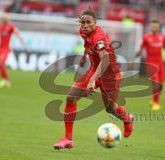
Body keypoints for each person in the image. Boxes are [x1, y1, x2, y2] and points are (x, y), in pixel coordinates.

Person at [54, 10, 134, 150]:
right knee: (71, 97)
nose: (84, 25)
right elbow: (87, 44)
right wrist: (85, 56)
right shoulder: (83, 31)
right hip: (95, 70)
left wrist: (92, 80)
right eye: (82, 22)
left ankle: (127, 119)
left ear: (95, 23)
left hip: (110, 75)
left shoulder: (99, 39)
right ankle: (68, 139)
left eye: (88, 22)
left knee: (109, 108)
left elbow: (106, 59)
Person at [135, 20, 165, 111]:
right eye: (153, 26)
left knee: (161, 82)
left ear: (159, 27)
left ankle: (153, 100)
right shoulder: (146, 37)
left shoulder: (162, 37)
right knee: (157, 83)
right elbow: (141, 48)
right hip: (150, 63)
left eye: (156, 26)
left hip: (160, 63)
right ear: (150, 27)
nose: (154, 28)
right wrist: (137, 54)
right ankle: (156, 103)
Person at [0, 13, 27, 88]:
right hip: (0, 48)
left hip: (6, 49)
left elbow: (18, 35)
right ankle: (4, 80)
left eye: (6, 18)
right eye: (4, 18)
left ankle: (6, 80)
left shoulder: (11, 27)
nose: (5, 19)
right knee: (0, 65)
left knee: (1, 62)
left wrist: (24, 45)